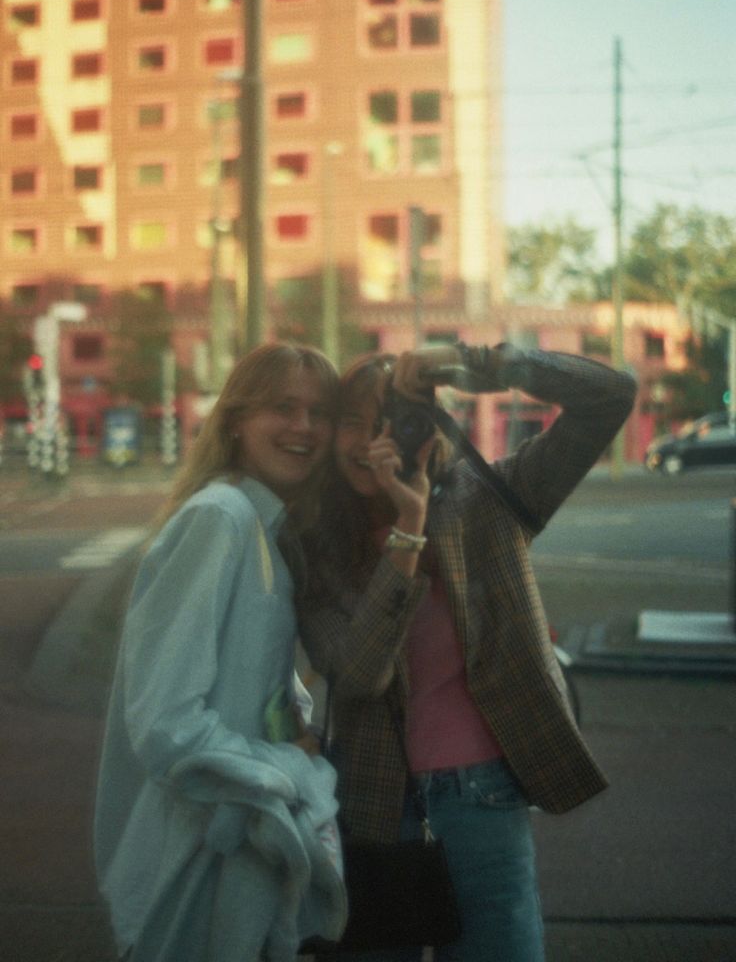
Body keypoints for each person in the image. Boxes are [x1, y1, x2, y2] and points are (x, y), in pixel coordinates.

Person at [297, 341, 637, 962]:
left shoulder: (492, 499)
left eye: (392, 418)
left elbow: (611, 397)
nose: (370, 440)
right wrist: (407, 527)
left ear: (429, 424)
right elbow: (359, 674)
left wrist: (475, 362)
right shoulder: (318, 543)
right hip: (373, 801)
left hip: (486, 796)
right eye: (352, 421)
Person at [94, 342, 347, 962]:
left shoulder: (264, 527)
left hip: (234, 851)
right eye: (283, 407)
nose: (304, 427)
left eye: (320, 412)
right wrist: (290, 768)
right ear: (236, 420)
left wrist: (294, 725)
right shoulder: (220, 519)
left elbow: (245, 679)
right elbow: (167, 725)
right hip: (195, 861)